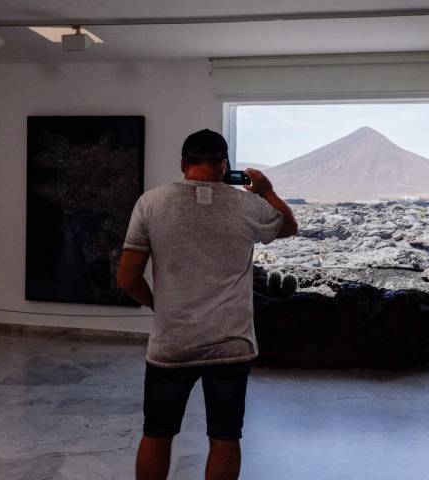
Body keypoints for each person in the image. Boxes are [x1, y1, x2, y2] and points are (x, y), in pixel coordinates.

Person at [117, 129, 297, 480]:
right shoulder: (247, 205)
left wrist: (159, 305)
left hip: (172, 343)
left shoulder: (151, 203)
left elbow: (126, 279)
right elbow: (289, 227)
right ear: (224, 165)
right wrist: (267, 191)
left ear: (184, 163)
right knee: (225, 436)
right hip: (231, 343)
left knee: (157, 433)